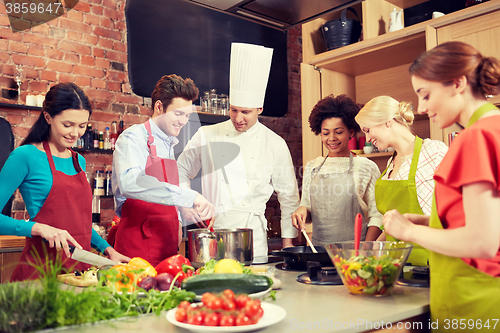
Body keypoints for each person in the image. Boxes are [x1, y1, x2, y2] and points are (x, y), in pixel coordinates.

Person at [383, 41, 500, 327]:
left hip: (474, 301)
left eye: (425, 94)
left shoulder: (476, 137)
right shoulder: (494, 127)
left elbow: (483, 242)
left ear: (458, 83)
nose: (421, 108)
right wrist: (429, 221)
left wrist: (408, 231)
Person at [177, 43, 300, 263]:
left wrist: (288, 243)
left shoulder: (275, 143)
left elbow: (288, 195)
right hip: (214, 234)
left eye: (246, 112)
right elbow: (181, 170)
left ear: (259, 109)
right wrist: (186, 204)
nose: (238, 118)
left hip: (253, 236)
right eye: (233, 110)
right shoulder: (207, 134)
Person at [0, 83, 129, 281]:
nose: (75, 133)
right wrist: (37, 228)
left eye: (82, 126)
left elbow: (81, 225)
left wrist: (108, 250)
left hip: (80, 273)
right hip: (41, 274)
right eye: (67, 125)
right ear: (48, 117)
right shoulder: (25, 156)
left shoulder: (79, 160)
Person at [112, 74, 214, 266]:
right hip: (137, 247)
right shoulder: (133, 137)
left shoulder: (168, 144)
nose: (183, 121)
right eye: (178, 114)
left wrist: (180, 211)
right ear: (159, 107)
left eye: (187, 115)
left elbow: (161, 190)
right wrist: (190, 196)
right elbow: (130, 183)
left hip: (166, 245)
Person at [355, 95, 448, 266]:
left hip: (430, 265)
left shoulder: (434, 152)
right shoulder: (391, 164)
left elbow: (452, 215)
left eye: (367, 130)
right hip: (395, 266)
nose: (367, 139)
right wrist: (372, 250)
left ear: (386, 121)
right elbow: (391, 224)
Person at [291, 94, 383, 246]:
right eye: (326, 133)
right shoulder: (312, 168)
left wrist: (365, 250)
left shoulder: (366, 167)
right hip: (319, 252)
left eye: (338, 132)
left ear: (351, 132)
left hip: (355, 253)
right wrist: (301, 211)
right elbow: (308, 209)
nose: (331, 138)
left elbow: (377, 216)